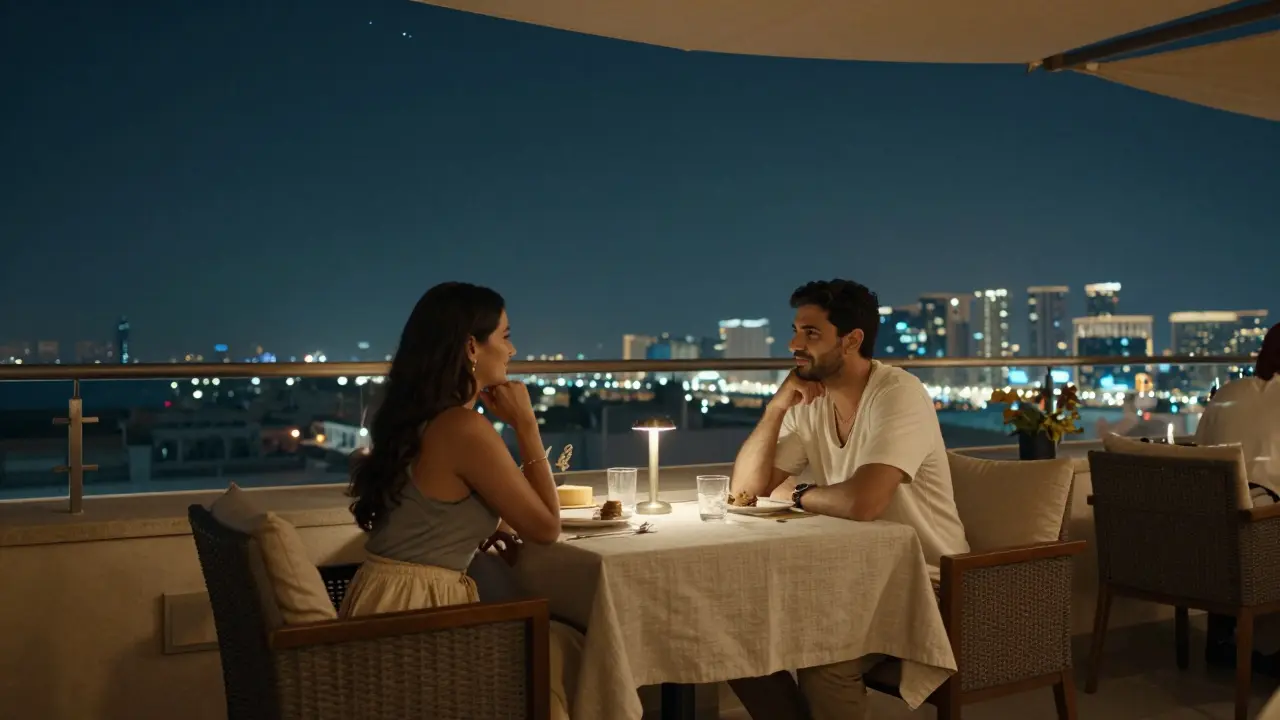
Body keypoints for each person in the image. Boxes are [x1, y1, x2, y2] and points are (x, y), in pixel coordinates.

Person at [726, 279, 969, 720]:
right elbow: (745, 491)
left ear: (852, 340)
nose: (793, 343)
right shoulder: (810, 404)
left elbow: (863, 503)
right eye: (796, 330)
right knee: (734, 636)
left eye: (811, 333)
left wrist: (795, 493)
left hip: (928, 580)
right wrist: (777, 407)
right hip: (852, 574)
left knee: (826, 662)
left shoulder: (898, 394)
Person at [342, 281, 581, 719]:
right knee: (572, 648)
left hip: (382, 604)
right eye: (505, 336)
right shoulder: (464, 428)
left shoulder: (419, 419)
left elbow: (431, 507)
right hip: (416, 620)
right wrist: (527, 426)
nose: (512, 350)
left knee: (558, 644)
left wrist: (483, 527)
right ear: (472, 346)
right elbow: (547, 528)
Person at [1195, 323, 1280, 674]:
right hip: (1261, 537)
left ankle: (1223, 637)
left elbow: (1199, 456)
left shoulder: (1227, 392)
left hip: (1207, 537)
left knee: (1237, 506)